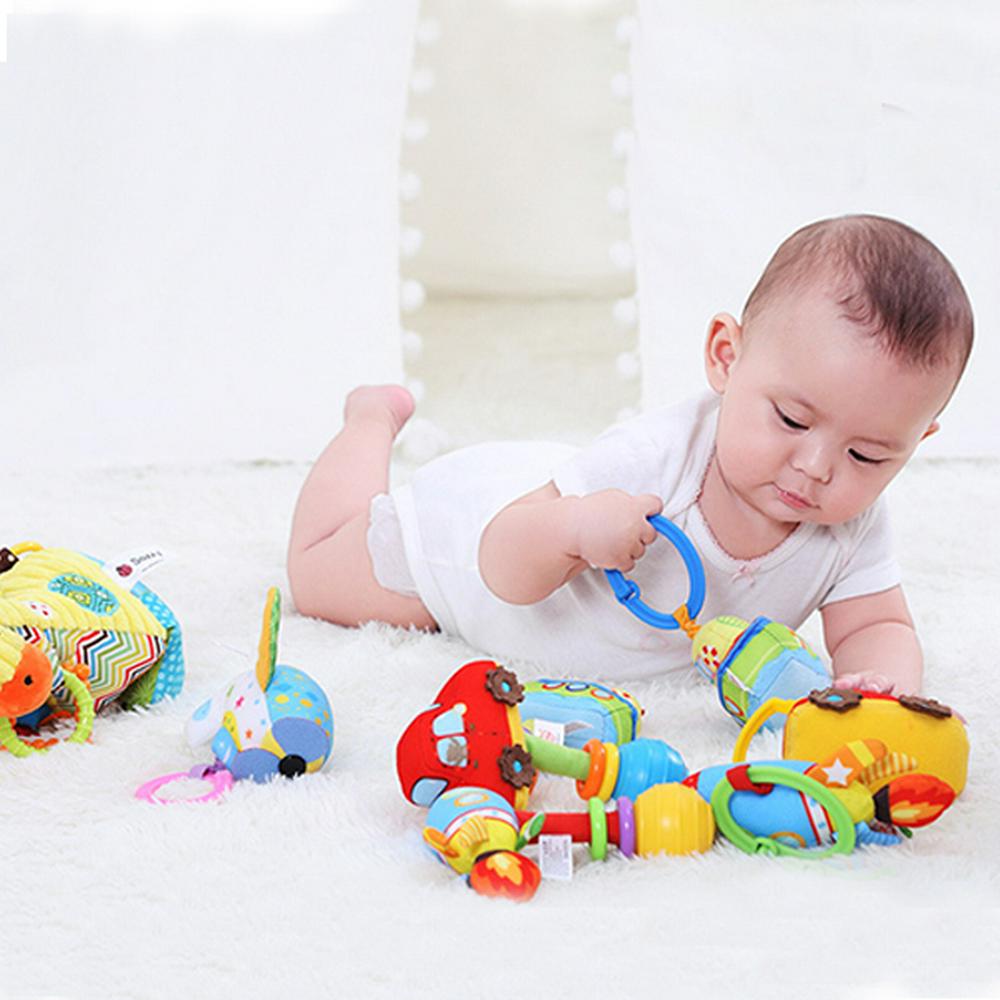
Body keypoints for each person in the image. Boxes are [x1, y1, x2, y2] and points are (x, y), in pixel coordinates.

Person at [287, 215, 973, 693]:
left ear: (915, 443)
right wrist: (576, 528)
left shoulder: (854, 525)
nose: (818, 467)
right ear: (726, 357)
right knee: (318, 578)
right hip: (467, 553)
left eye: (868, 456)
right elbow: (501, 563)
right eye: (792, 419)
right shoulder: (655, 458)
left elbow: (877, 624)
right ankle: (371, 420)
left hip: (552, 508)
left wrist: (882, 691)